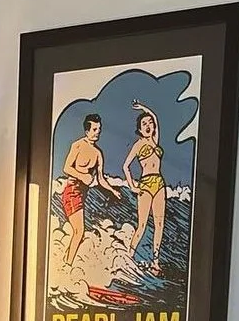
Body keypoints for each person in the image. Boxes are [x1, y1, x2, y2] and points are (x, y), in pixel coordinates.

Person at [60, 113, 124, 267]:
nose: (97, 132)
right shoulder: (77, 145)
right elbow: (66, 168)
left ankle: (65, 261)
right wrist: (83, 176)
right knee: (79, 231)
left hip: (83, 195)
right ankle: (67, 265)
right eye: (94, 129)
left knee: (78, 232)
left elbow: (100, 178)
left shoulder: (98, 154)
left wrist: (112, 190)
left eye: (99, 129)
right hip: (72, 191)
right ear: (87, 131)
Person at [123, 100, 167, 274]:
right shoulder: (138, 145)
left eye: (150, 123)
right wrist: (132, 186)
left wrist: (143, 108)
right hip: (146, 184)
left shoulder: (155, 141)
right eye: (144, 124)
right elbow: (126, 166)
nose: (148, 126)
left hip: (159, 183)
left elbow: (155, 118)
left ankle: (155, 261)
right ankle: (129, 256)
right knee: (142, 224)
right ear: (140, 129)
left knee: (159, 224)